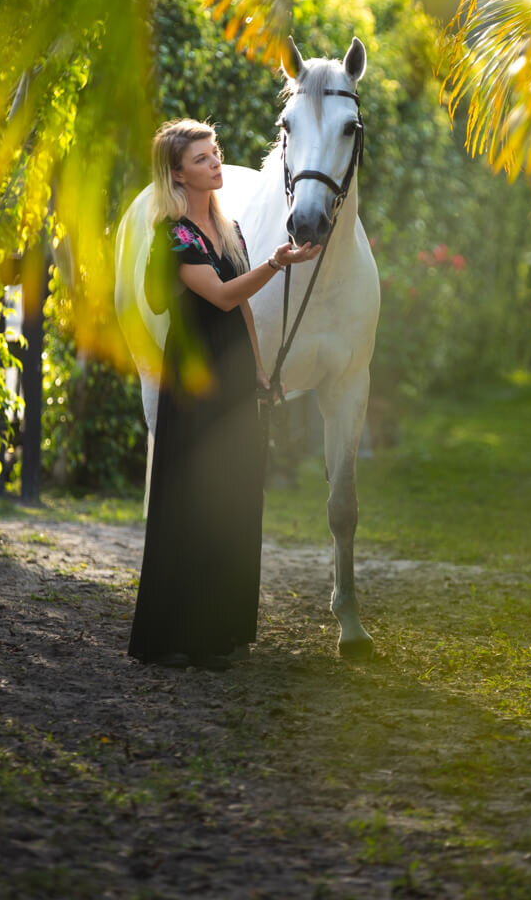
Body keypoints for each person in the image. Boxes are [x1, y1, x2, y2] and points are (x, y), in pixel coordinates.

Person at [128, 118, 320, 670]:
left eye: (216, 152)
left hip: (236, 380)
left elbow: (243, 313)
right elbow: (219, 295)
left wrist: (261, 372)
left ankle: (223, 630)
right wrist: (276, 262)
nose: (216, 163)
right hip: (194, 383)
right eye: (202, 158)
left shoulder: (227, 226)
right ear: (178, 175)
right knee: (194, 501)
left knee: (236, 499)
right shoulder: (175, 235)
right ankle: (178, 635)